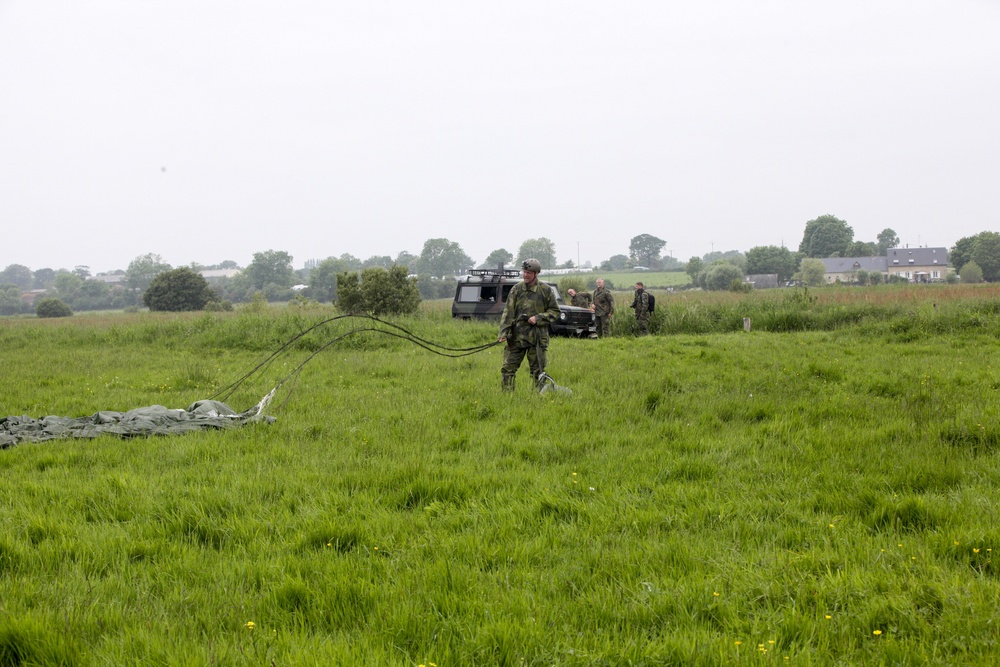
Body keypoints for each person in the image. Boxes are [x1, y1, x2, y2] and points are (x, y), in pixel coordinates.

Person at [498, 258, 561, 392]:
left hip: (537, 338)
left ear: (536, 273)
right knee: (507, 369)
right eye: (524, 271)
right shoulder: (516, 289)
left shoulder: (546, 290)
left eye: (529, 272)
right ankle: (506, 398)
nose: (525, 275)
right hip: (516, 337)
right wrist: (503, 333)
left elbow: (555, 312)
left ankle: (537, 399)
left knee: (538, 371)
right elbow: (507, 313)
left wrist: (538, 318)